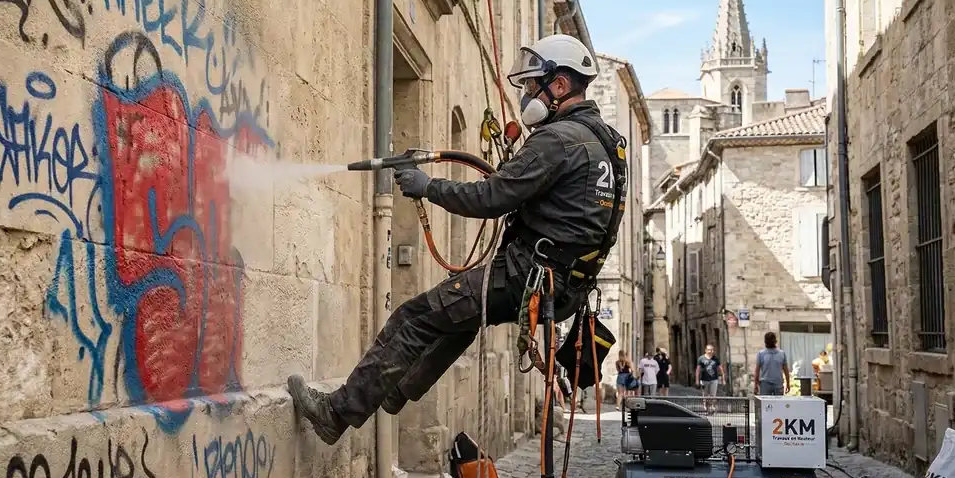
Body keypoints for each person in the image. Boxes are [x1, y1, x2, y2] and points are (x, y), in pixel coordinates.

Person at [286, 34, 629, 445]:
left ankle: (336, 413)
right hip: (563, 285)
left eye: (530, 85)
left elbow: (491, 198)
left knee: (414, 316)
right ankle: (395, 389)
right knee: (458, 319)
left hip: (528, 278)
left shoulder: (558, 140)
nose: (525, 95)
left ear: (558, 86)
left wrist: (427, 186)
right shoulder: (605, 142)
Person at [754, 332, 790, 396]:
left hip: (765, 385)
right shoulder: (781, 353)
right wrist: (788, 383)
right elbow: (786, 371)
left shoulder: (761, 354)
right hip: (778, 383)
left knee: (766, 405)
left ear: (765, 342)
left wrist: (755, 385)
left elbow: (757, 371)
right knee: (778, 404)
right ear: (775, 341)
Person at [696, 345, 723, 411]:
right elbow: (698, 369)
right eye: (708, 350)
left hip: (714, 379)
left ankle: (712, 406)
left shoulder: (715, 359)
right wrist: (697, 380)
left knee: (713, 395)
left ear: (713, 351)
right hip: (704, 380)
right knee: (705, 395)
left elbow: (720, 368)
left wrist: (723, 377)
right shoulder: (701, 358)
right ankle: (705, 406)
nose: (710, 351)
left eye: (711, 350)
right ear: (705, 350)